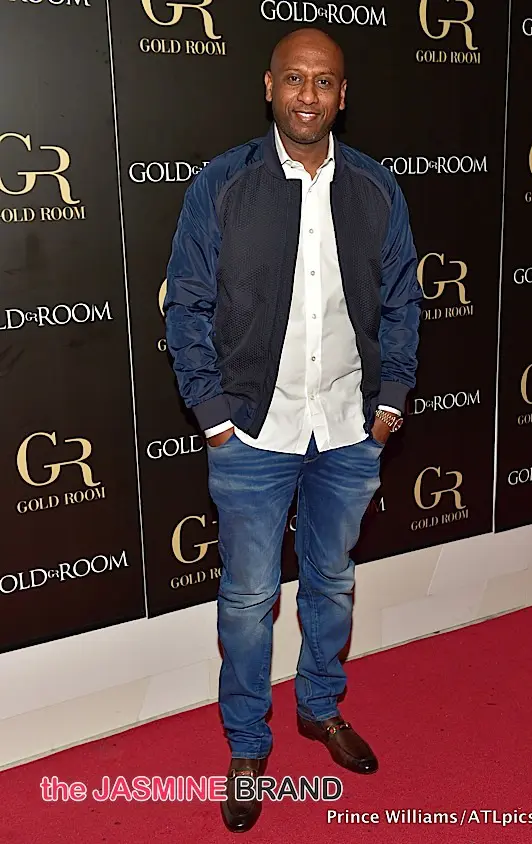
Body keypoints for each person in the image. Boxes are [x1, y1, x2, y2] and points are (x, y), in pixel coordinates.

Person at [164, 27, 422, 833]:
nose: (309, 95)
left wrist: (390, 403)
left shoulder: (376, 186)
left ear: (343, 95)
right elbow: (186, 305)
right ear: (269, 86)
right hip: (251, 433)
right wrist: (212, 415)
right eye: (295, 79)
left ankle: (319, 706)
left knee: (333, 582)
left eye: (325, 81)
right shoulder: (221, 184)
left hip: (348, 429)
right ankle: (248, 745)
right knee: (248, 600)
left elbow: (403, 301)